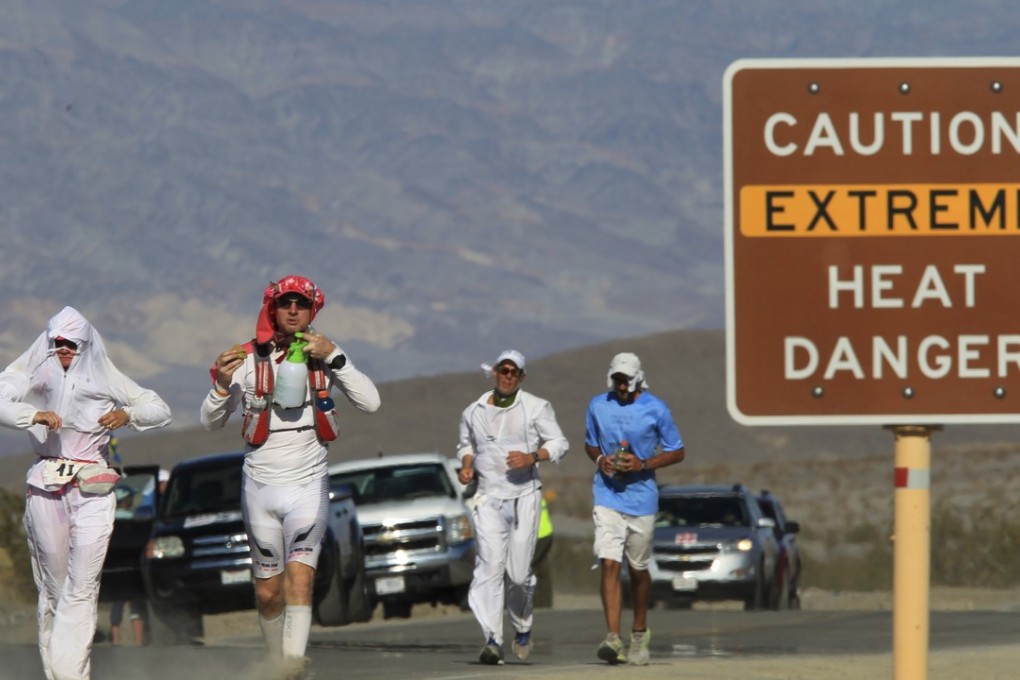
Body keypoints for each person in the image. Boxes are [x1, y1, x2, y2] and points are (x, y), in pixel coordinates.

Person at [201, 275, 380, 677]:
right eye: (286, 304)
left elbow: (371, 402)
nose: (293, 311)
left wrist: (336, 355)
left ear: (312, 309)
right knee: (268, 593)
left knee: (300, 581)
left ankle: (291, 667)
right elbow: (210, 422)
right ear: (273, 309)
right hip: (260, 487)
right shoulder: (247, 358)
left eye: (301, 304)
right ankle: (275, 661)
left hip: (307, 485)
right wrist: (221, 385)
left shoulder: (325, 355)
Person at [0, 306, 172, 680]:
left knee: (83, 583)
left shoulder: (104, 375)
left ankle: (72, 675)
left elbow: (159, 409)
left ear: (85, 344)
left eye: (71, 344)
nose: (63, 349)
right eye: (57, 342)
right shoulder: (35, 370)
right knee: (54, 587)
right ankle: (57, 673)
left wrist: (128, 414)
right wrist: (33, 415)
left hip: (93, 486)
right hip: (46, 485)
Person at [457, 350, 568, 665]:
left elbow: (559, 443)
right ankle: (492, 639)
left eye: (514, 372)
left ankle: (522, 626)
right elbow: (466, 444)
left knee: (518, 575)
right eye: (503, 370)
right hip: (489, 498)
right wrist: (467, 466)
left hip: (524, 496)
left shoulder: (535, 408)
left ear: (522, 377)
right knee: (490, 568)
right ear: (494, 372)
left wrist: (532, 457)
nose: (508, 376)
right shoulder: (474, 411)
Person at [585, 351, 685, 666]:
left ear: (638, 378)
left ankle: (639, 631)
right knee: (609, 562)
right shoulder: (598, 405)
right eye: (617, 380)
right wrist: (601, 460)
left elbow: (677, 451)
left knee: (638, 570)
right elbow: (590, 442)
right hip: (607, 496)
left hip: (641, 498)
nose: (622, 385)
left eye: (627, 380)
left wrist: (643, 463)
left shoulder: (656, 409)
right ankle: (612, 637)